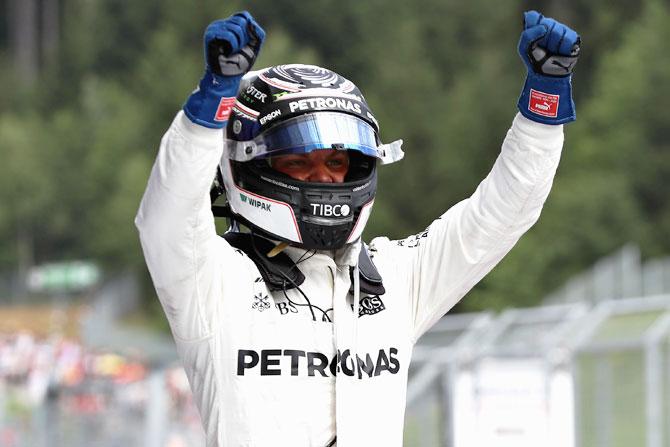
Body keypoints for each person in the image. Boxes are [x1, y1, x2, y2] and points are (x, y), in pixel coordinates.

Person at [135, 9, 580, 447]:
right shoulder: (212, 281)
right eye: (298, 161)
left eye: (336, 162)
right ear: (247, 165)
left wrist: (543, 105)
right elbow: (166, 216)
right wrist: (211, 102)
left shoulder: (392, 278)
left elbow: (502, 214)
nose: (324, 178)